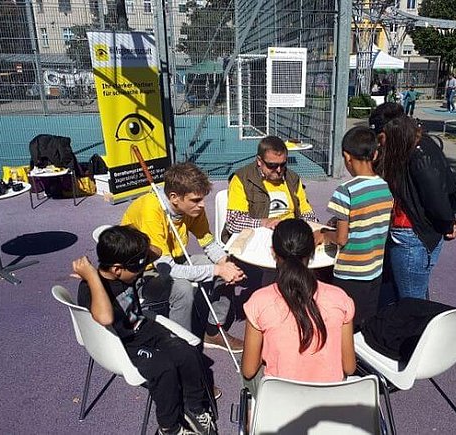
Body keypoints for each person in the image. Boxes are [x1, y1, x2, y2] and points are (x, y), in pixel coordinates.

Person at [74, 225, 216, 435]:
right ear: (116, 269)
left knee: (187, 353)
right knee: (164, 368)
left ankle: (193, 408)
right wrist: (93, 277)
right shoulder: (90, 288)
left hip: (143, 328)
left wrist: (137, 249)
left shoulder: (124, 271)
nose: (142, 271)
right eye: (138, 267)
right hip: (122, 344)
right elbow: (105, 317)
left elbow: (156, 252)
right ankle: (170, 428)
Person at [121, 162, 246, 351]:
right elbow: (166, 268)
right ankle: (181, 348)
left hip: (174, 260)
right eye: (196, 200)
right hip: (143, 274)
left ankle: (213, 331)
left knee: (226, 267)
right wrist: (217, 269)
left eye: (202, 199)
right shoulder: (151, 211)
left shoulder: (192, 208)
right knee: (183, 288)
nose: (202, 205)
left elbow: (209, 243)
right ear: (174, 197)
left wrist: (225, 264)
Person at [241, 219, 356, 395]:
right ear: (312, 253)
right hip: (331, 406)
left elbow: (248, 370)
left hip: (281, 405)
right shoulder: (339, 298)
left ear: (273, 253)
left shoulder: (259, 301)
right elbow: (349, 367)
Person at [313, 126, 393, 331]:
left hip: (350, 273)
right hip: (374, 269)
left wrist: (323, 234)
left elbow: (341, 239)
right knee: (366, 321)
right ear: (374, 154)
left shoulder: (345, 191)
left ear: (346, 157)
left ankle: (344, 361)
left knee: (345, 323)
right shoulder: (385, 187)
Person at [380, 114, 456, 300]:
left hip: (411, 236)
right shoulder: (421, 148)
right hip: (422, 234)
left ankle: (421, 328)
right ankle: (423, 324)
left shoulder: (415, 158)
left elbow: (435, 196)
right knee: (416, 292)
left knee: (411, 302)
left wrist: (448, 222)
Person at [221, 135, 317, 243]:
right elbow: (233, 223)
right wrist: (265, 223)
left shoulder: (293, 178)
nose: (279, 170)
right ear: (259, 161)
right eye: (272, 165)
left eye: (283, 164)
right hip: (256, 237)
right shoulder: (242, 179)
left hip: (289, 238)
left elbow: (308, 215)